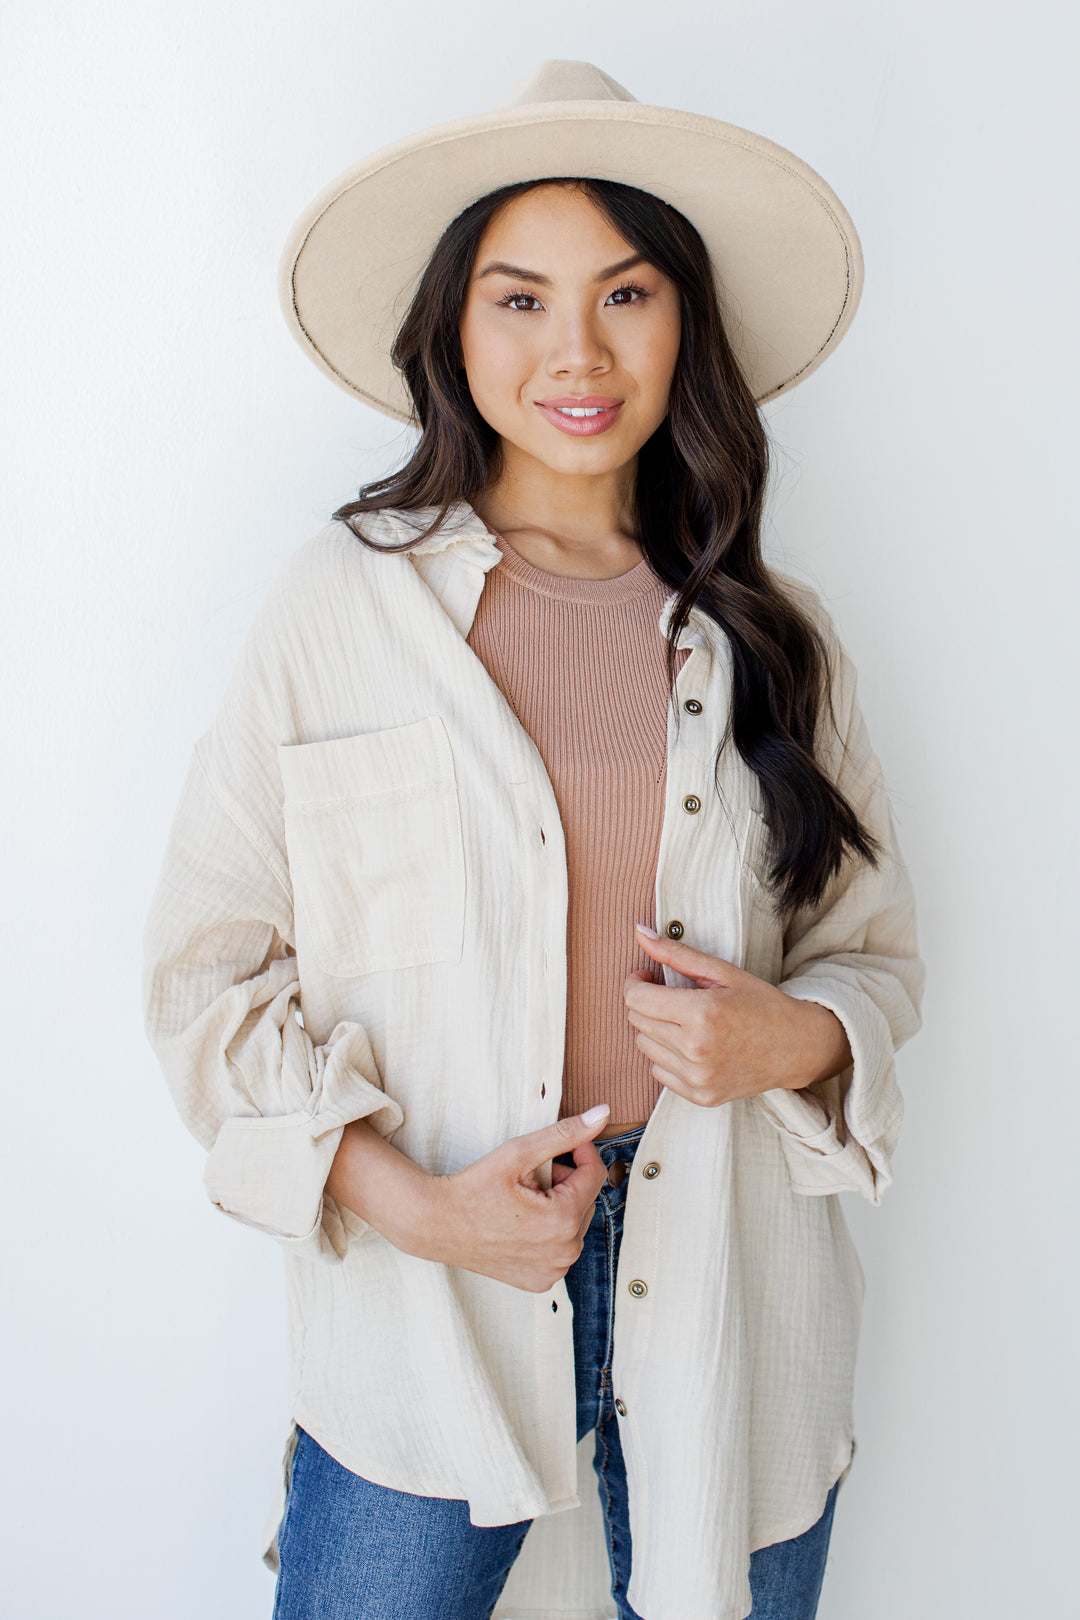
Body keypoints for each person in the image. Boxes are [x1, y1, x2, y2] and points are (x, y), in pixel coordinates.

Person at [142, 58, 924, 1620]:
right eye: (519, 298)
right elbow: (210, 981)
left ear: (684, 323)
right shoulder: (338, 610)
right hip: (416, 1295)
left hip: (735, 1286)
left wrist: (792, 1038)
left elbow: (876, 960)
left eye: (626, 294)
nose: (576, 350)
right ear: (454, 328)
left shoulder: (776, 640)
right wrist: (413, 1202)